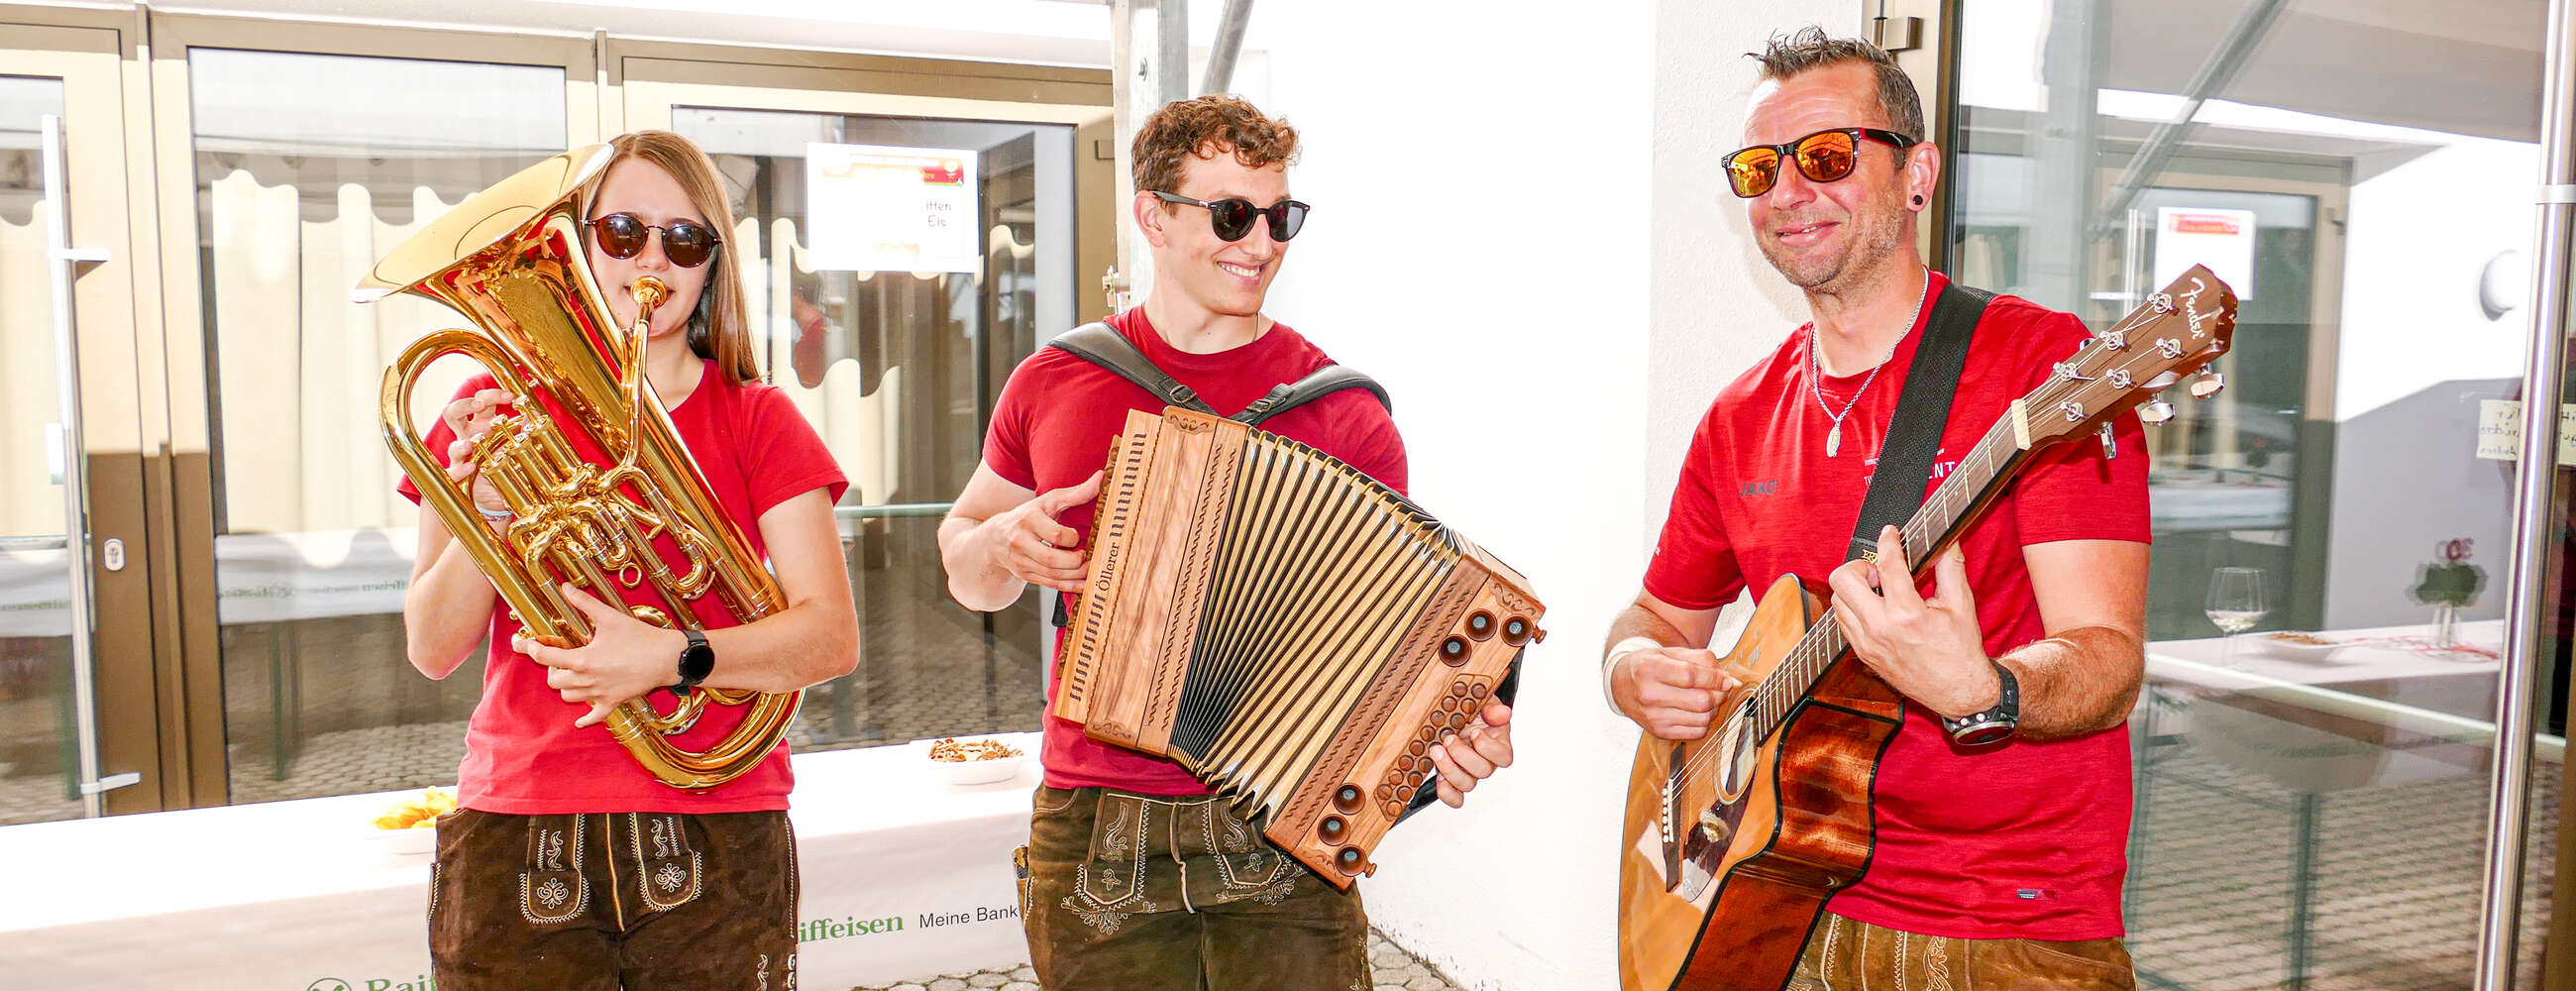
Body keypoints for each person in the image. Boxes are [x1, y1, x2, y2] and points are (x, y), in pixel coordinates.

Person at [1603, 29, 2152, 990]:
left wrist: (1986, 689)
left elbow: (2106, 658)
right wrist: (1631, 670)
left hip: (2002, 923)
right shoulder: (1738, 415)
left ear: (1917, 173)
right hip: (1769, 901)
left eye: (1825, 156)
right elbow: (1654, 616)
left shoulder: (2040, 369)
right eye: (1759, 168)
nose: (1787, 191)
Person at [937, 95, 1513, 990]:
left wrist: (1448, 730)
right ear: (1153, 216)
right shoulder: (1055, 380)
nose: (1263, 243)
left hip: (1281, 828)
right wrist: (999, 546)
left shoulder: (1343, 411)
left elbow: (1394, 639)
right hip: (1096, 825)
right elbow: (965, 562)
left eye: (1281, 217)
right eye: (1233, 214)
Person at [398, 130, 855, 991]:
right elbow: (431, 647)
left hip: (717, 822)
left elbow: (829, 639)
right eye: (622, 232)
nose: (651, 259)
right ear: (579, 242)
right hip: (520, 818)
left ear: (710, 265)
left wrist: (669, 656)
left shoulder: (759, 418)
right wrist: (488, 507)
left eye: (683, 240)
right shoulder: (488, 406)